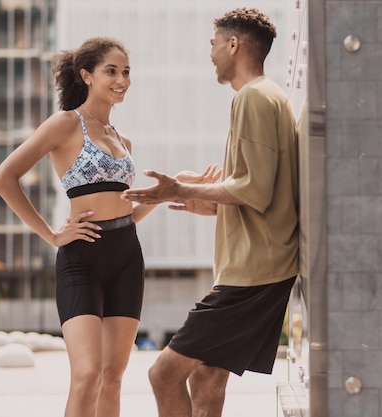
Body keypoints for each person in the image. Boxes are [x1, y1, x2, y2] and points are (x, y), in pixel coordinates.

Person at [0, 37, 218, 417]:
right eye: (111, 71)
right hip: (82, 258)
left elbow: (126, 209)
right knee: (87, 375)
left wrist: (170, 188)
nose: (121, 80)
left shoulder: (122, 140)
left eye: (126, 72)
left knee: (113, 377)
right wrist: (51, 234)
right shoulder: (64, 124)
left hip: (127, 256)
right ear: (87, 76)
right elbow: (3, 178)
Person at [122, 8, 299, 417]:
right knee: (205, 377)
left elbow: (253, 189)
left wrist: (178, 188)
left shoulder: (253, 97)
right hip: (260, 266)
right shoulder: (269, 96)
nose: (211, 54)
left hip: (254, 273)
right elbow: (265, 193)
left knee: (163, 374)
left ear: (233, 44)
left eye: (213, 44)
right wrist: (209, 203)